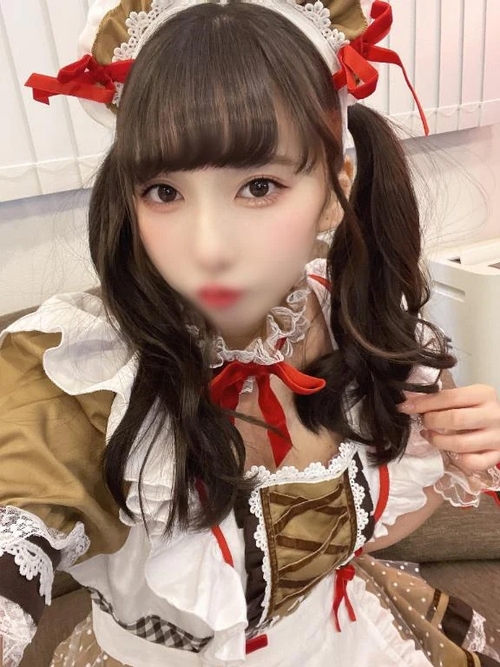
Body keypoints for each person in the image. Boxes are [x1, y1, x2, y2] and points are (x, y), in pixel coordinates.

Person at [1, 0, 500, 665]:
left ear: (334, 191)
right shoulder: (82, 369)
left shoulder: (363, 325)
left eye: (259, 186)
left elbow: (366, 533)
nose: (207, 247)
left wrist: (455, 462)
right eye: (164, 192)